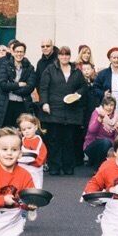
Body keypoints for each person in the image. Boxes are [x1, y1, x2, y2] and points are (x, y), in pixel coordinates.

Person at [38, 46, 88, 175]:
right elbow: (43, 88)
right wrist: (44, 103)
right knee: (54, 140)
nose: (64, 57)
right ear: (58, 56)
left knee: (69, 140)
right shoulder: (50, 69)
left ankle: (68, 167)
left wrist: (77, 95)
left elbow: (83, 87)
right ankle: (54, 166)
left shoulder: (76, 70)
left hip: (72, 110)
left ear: (70, 56)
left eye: (67, 55)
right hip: (54, 109)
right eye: (62, 55)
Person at [0, 40, 36, 129]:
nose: (19, 54)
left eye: (21, 52)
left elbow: (30, 87)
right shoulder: (5, 65)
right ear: (12, 52)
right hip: (7, 104)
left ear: (24, 53)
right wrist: (18, 84)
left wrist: (11, 88)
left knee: (21, 131)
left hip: (22, 104)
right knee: (6, 131)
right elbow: (3, 85)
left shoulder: (30, 68)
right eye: (17, 51)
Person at [84, 95, 118, 169]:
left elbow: (116, 138)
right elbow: (91, 130)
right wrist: (99, 120)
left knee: (111, 144)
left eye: (111, 105)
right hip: (92, 144)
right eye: (106, 105)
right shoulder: (97, 112)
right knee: (105, 142)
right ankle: (98, 168)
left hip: (109, 144)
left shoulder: (117, 116)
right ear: (103, 105)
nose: (109, 107)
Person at [17, 113, 47, 192]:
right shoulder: (21, 141)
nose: (26, 131)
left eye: (29, 128)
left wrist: (33, 162)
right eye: (24, 129)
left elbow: (42, 156)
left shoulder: (39, 142)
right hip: (21, 169)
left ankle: (34, 201)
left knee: (35, 187)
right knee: (20, 187)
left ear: (35, 127)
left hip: (34, 169)